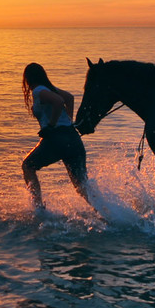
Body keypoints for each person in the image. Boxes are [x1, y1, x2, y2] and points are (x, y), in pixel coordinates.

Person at [21, 63, 90, 209]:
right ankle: (110, 214)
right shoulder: (50, 89)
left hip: (57, 139)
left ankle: (39, 208)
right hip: (72, 137)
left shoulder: (39, 91)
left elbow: (59, 102)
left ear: (27, 79)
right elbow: (69, 98)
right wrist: (69, 121)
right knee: (82, 188)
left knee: (27, 166)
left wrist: (51, 125)